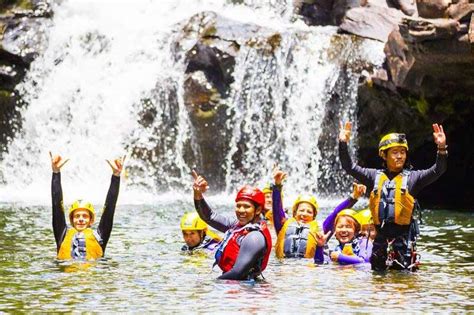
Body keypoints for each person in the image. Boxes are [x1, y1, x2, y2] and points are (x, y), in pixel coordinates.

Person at [338, 122, 447, 271]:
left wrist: (441, 148)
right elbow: (348, 166)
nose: (400, 156)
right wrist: (343, 143)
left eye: (403, 152)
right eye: (395, 152)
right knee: (378, 285)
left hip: (403, 242)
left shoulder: (414, 178)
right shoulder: (373, 176)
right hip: (380, 241)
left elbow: (438, 170)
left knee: (401, 286)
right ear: (384, 154)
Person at [192, 170, 272, 280]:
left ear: (258, 210)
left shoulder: (254, 237)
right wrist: (198, 194)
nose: (241, 210)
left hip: (246, 290)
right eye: (238, 206)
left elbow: (238, 273)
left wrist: (211, 284)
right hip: (234, 285)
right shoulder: (237, 226)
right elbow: (209, 217)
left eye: (246, 206)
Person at [50, 152, 124, 260]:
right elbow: (56, 205)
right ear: (71, 219)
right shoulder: (63, 234)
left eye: (85, 216)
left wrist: (116, 176)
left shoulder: (100, 236)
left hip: (91, 275)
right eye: (77, 216)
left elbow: (110, 208)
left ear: (91, 220)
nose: (80, 219)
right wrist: (56, 172)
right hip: (67, 276)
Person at [313, 184, 373, 265]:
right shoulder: (336, 250)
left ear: (356, 231)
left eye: (348, 227)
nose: (344, 230)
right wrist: (319, 246)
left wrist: (340, 257)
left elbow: (365, 262)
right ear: (335, 233)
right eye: (340, 227)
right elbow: (319, 263)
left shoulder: (364, 242)